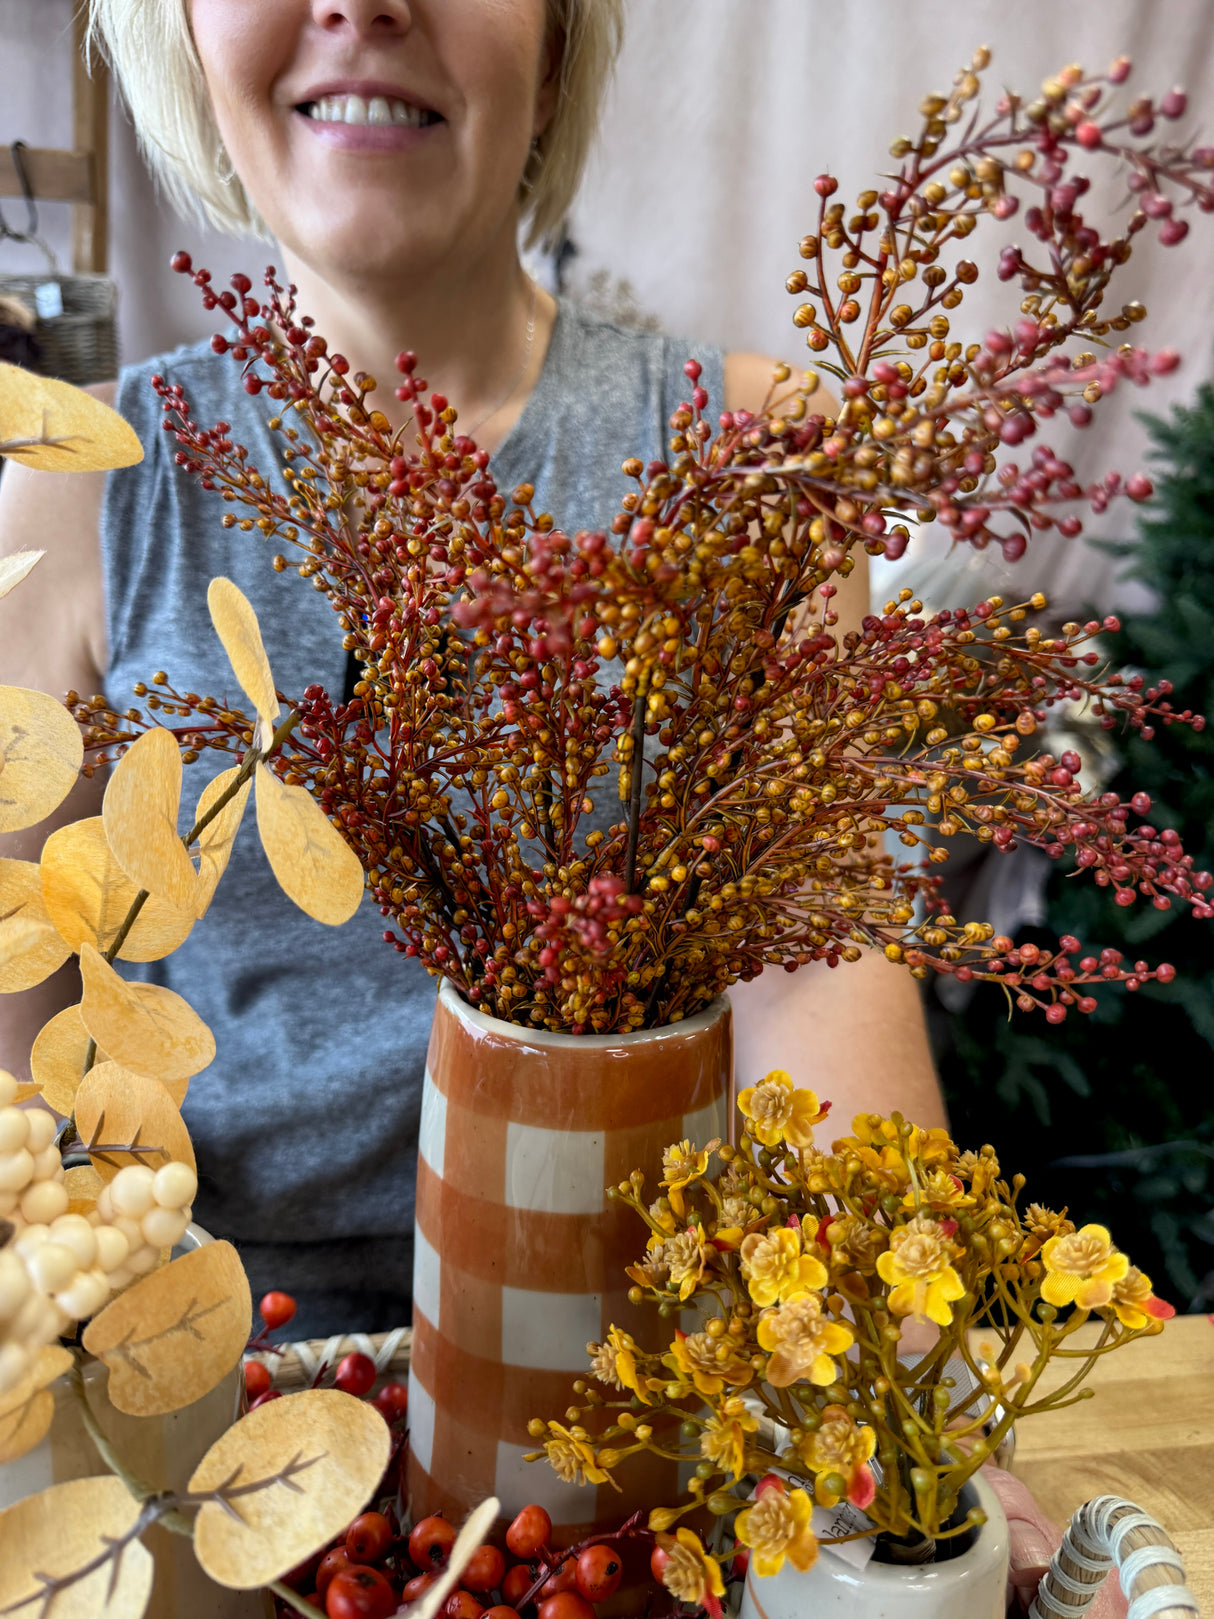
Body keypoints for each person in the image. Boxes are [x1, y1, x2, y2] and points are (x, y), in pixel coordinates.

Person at [0, 0, 942, 1335]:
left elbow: (818, 982)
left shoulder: (749, 458)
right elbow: (20, 1072)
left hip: (631, 1380)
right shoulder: (81, 491)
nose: (362, 4)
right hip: (204, 1373)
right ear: (189, 44)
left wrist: (903, 1431)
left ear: (556, 45)